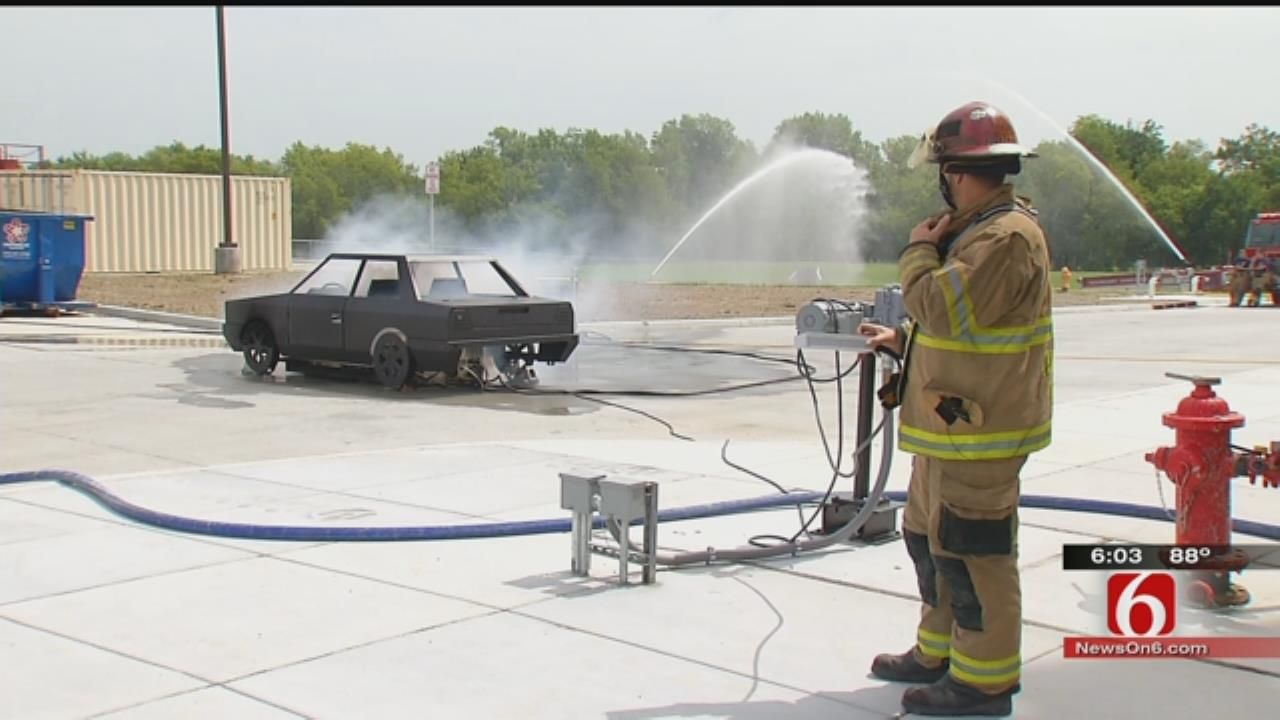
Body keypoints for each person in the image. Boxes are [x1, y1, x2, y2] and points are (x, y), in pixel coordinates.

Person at [857, 101, 1054, 717]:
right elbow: (962, 332)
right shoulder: (977, 229)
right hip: (951, 429)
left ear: (959, 173)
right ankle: (937, 652)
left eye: (944, 173)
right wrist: (902, 342)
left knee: (974, 553)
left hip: (983, 435)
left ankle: (984, 682)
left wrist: (917, 251)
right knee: (928, 540)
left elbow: (944, 308)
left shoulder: (1003, 237)